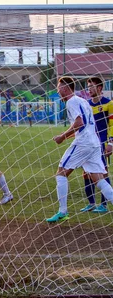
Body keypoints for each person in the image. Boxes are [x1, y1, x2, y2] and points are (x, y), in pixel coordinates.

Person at [46, 77, 113, 223]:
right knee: (98, 178)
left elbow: (79, 122)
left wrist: (63, 137)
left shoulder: (71, 101)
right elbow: (87, 124)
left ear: (64, 88)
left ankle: (62, 211)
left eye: (58, 88)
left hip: (84, 143)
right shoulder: (83, 100)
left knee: (61, 173)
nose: (58, 91)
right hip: (93, 142)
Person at [79, 77, 113, 214]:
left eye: (91, 86)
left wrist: (110, 142)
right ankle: (91, 203)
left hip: (102, 143)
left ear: (99, 88)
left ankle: (104, 205)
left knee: (103, 173)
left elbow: (112, 125)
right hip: (88, 144)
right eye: (88, 87)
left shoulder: (109, 104)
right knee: (87, 173)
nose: (89, 89)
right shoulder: (86, 104)